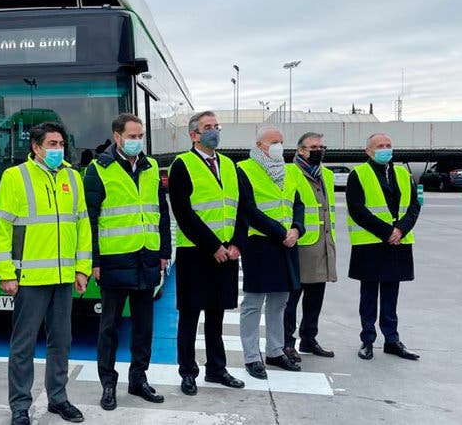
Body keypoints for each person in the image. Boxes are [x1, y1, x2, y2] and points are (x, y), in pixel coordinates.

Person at [0, 122, 91, 425]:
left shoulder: (73, 177)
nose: (57, 149)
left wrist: (82, 269)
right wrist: (6, 272)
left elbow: (82, 226)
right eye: (51, 143)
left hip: (63, 278)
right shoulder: (15, 177)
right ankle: (20, 406)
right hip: (30, 279)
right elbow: (1, 227)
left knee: (61, 341)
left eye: (61, 143)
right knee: (23, 345)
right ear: (35, 147)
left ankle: (58, 399)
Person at [84, 114, 171, 410]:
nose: (137, 141)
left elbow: (160, 212)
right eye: (132, 136)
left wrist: (164, 254)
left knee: (143, 326)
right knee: (108, 327)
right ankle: (108, 384)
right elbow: (90, 220)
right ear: (117, 137)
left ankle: (138, 379)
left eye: (140, 136)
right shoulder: (98, 169)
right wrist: (93, 260)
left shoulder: (150, 168)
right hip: (113, 259)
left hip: (147, 257)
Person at [167, 111, 245, 395]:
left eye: (216, 126)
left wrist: (237, 242)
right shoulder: (182, 165)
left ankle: (216, 369)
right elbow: (184, 213)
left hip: (227, 252)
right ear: (194, 135)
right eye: (207, 127)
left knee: (216, 315)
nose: (214, 131)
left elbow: (241, 207)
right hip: (197, 252)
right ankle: (188, 372)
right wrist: (213, 246)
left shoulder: (229, 165)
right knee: (189, 315)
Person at [234, 127, 304, 379]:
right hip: (260, 244)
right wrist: (280, 232)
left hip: (288, 243)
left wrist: (297, 228)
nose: (279, 146)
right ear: (260, 145)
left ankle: (275, 351)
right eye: (274, 142)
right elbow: (248, 209)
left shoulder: (289, 170)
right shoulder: (244, 169)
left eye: (282, 142)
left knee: (280, 301)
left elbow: (298, 203)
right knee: (254, 303)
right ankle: (252, 357)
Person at [347, 133, 421, 361]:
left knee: (391, 293)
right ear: (368, 151)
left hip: (398, 242)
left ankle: (392, 339)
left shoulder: (402, 174)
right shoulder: (358, 174)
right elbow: (357, 210)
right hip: (371, 242)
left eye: (389, 145)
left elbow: (414, 207)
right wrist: (387, 232)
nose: (386, 149)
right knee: (369, 294)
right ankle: (367, 339)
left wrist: (400, 230)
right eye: (380, 146)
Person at [283, 132, 337, 361]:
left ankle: (309, 338)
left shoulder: (327, 175)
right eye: (313, 147)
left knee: (316, 297)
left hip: (323, 243)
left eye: (321, 146)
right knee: (291, 299)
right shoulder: (289, 172)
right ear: (300, 150)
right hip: (300, 243)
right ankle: (287, 342)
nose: (319, 150)